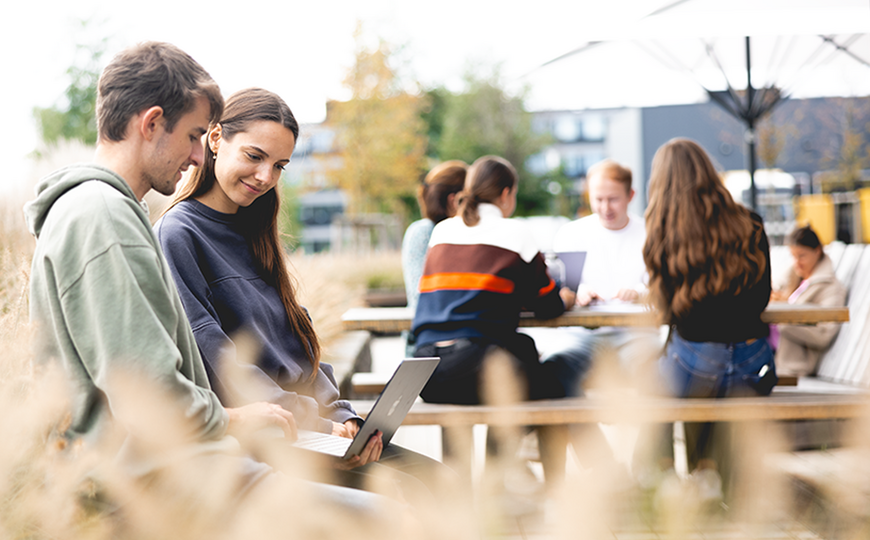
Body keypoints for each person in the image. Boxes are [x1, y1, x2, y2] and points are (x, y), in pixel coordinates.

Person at [24, 42, 391, 533]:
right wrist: (235, 419)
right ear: (152, 123)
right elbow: (146, 393)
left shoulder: (111, 214)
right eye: (196, 135)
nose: (200, 153)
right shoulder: (102, 219)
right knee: (391, 516)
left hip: (189, 463)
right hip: (153, 482)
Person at [155, 87, 449, 501]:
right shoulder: (179, 234)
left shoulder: (256, 230)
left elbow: (296, 346)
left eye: (279, 166)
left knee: (440, 479)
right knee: (406, 491)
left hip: (310, 428)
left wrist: (342, 416)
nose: (265, 177)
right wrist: (318, 426)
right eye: (254, 157)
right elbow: (218, 361)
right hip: (267, 436)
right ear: (216, 139)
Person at [640, 138, 777, 497]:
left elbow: (668, 312)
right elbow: (762, 297)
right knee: (696, 373)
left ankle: (664, 478)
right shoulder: (751, 223)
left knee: (655, 379)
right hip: (755, 363)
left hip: (696, 363)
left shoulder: (664, 231)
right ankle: (713, 475)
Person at [546, 159, 660, 385]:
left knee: (653, 374)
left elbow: (661, 289)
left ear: (630, 195)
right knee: (553, 370)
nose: (605, 208)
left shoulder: (649, 234)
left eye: (613, 199)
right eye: (598, 199)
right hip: (581, 336)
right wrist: (577, 294)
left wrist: (638, 293)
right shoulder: (571, 234)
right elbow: (561, 290)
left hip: (636, 335)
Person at [401, 160, 467, 355]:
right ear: (454, 201)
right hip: (429, 346)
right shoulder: (424, 232)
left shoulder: (465, 234)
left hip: (458, 344)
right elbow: (420, 296)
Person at [770, 225, 847, 377]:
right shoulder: (792, 278)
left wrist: (784, 324)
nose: (797, 262)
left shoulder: (830, 287)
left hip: (794, 365)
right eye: (793, 256)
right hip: (773, 358)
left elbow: (824, 335)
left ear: (817, 251)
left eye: (802, 256)